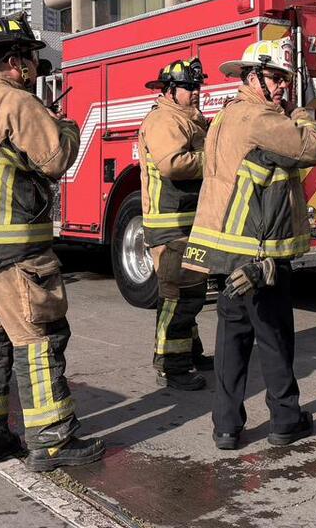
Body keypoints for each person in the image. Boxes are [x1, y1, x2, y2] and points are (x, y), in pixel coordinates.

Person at [0, 15, 104, 473]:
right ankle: (52, 441)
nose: (36, 65)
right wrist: (64, 125)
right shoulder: (16, 102)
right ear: (15, 62)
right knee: (39, 340)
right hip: (13, 253)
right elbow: (54, 159)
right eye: (33, 57)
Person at [183, 37, 316, 451]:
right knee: (276, 337)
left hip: (230, 253)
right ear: (252, 77)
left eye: (285, 79)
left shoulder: (227, 116)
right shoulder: (260, 119)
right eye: (275, 78)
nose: (281, 87)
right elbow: (310, 147)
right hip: (261, 255)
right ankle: (285, 419)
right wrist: (303, 113)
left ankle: (226, 426)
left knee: (232, 340)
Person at [139, 57, 213, 391]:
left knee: (189, 290)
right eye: (188, 87)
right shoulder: (164, 120)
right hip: (171, 224)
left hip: (186, 221)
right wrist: (213, 159)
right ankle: (172, 366)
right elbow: (172, 164)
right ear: (170, 91)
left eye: (197, 86)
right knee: (179, 296)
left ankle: (189, 352)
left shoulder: (188, 119)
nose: (195, 92)